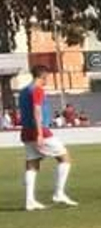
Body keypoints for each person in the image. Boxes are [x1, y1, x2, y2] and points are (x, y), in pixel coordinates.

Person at [18, 65, 75, 210]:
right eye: (46, 78)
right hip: (39, 129)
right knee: (64, 157)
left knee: (32, 163)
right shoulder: (37, 90)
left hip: (26, 130)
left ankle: (29, 201)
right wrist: (40, 134)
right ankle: (58, 193)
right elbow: (37, 111)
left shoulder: (23, 91)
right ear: (42, 76)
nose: (46, 81)